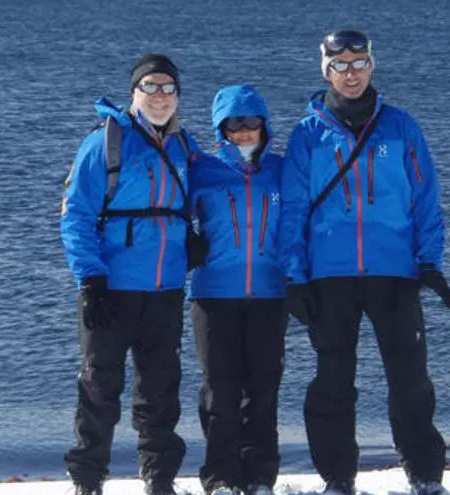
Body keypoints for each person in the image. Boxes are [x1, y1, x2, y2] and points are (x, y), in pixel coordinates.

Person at [278, 30, 450, 495]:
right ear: (327, 72)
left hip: (394, 272)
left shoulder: (401, 127)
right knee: (333, 382)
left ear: (372, 66)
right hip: (330, 276)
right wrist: (295, 277)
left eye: (359, 63)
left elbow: (426, 198)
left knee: (410, 381)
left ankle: (425, 476)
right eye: (340, 65)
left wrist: (430, 262)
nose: (351, 73)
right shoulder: (308, 134)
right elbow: (293, 210)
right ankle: (338, 479)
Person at [60, 53, 198, 495]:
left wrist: (195, 240)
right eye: (150, 87)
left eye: (168, 88)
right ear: (134, 92)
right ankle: (88, 480)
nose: (159, 96)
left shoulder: (182, 145)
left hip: (165, 289)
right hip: (111, 289)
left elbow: (203, 196)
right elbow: (76, 215)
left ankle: (159, 479)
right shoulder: (105, 142)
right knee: (99, 387)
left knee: (160, 392)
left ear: (177, 95)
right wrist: (90, 278)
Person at [188, 84, 288, 495]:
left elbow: (303, 221)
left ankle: (260, 476)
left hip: (269, 293)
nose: (244, 131)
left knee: (263, 388)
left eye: (251, 122)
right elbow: (171, 213)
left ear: (264, 125)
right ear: (221, 129)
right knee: (220, 390)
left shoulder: (282, 170)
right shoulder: (202, 169)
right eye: (234, 124)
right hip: (214, 294)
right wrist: (187, 243)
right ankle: (221, 477)